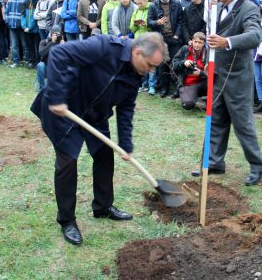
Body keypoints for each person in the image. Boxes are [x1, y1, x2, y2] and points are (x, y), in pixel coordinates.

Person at [30, 32, 166, 246]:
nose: (151, 71)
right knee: (67, 163)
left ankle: (103, 207)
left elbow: (126, 108)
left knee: (104, 155)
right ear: (137, 52)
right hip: (64, 108)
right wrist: (57, 96)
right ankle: (67, 221)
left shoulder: (135, 72)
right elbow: (58, 53)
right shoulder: (104, 47)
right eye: (150, 65)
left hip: (96, 115)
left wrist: (126, 144)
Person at [190, 0, 262, 186]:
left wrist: (228, 42)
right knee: (215, 119)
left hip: (238, 76)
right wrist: (208, 62)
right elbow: (210, 36)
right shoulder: (215, 6)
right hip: (216, 73)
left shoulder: (248, 8)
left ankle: (257, 167)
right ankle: (213, 162)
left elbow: (254, 36)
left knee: (242, 124)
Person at [147, 0, 184, 98]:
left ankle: (178, 89)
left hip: (174, 38)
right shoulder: (153, 5)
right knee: (162, 65)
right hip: (161, 39)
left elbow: (180, 21)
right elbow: (149, 21)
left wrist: (177, 35)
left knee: (176, 64)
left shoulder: (176, 4)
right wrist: (157, 22)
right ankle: (164, 89)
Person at [129, 0, 155, 94]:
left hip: (149, 39)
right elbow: (131, 27)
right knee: (141, 63)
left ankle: (152, 85)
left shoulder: (151, 8)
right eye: (137, 4)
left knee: (151, 63)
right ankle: (143, 84)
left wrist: (146, 25)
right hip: (138, 40)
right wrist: (135, 24)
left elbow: (154, 24)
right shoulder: (136, 11)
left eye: (140, 3)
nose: (138, 5)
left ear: (145, 1)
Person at [6, 0, 29, 68]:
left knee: (24, 44)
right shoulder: (10, 0)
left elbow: (26, 13)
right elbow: (7, 12)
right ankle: (16, 62)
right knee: (14, 45)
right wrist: (7, 21)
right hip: (12, 26)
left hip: (21, 26)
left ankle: (26, 60)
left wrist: (24, 24)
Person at [36, 25, 65, 91]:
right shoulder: (44, 42)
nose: (56, 36)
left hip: (57, 69)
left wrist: (64, 47)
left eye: (58, 34)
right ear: (51, 34)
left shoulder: (62, 43)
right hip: (47, 68)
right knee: (40, 65)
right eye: (55, 34)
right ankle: (42, 88)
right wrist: (52, 42)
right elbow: (41, 53)